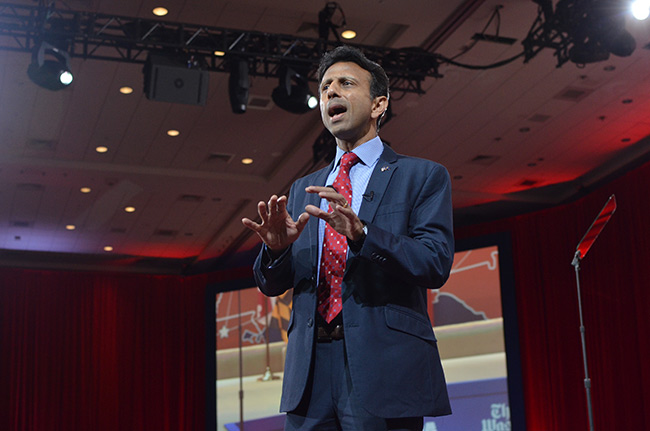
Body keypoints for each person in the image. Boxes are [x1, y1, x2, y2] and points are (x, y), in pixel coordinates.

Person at [242, 45, 454, 431]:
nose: (331, 93)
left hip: (384, 368)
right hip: (309, 373)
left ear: (379, 105)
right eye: (324, 87)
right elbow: (274, 284)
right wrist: (276, 251)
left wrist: (363, 235)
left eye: (345, 83)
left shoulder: (422, 176)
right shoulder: (305, 187)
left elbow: (434, 262)